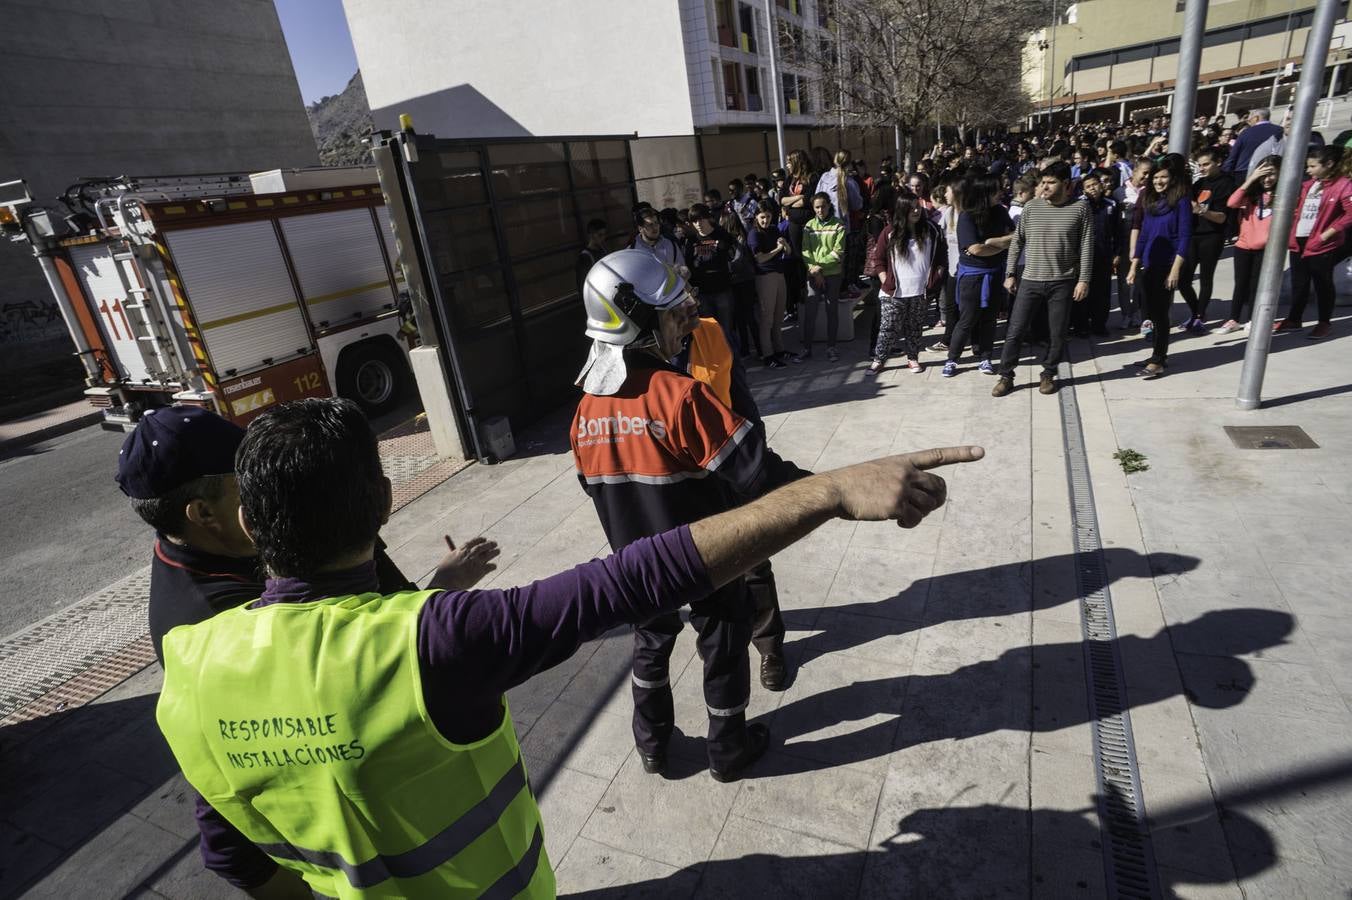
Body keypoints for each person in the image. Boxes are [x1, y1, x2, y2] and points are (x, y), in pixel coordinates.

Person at [155, 388, 983, 897]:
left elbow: (229, 855)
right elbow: (636, 579)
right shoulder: (436, 644)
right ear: (380, 505)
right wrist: (828, 490)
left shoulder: (189, 671)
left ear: (253, 526)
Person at [572, 248, 811, 781]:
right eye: (669, 313)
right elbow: (755, 470)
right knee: (723, 644)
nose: (681, 323)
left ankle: (653, 746)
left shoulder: (584, 413)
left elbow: (594, 489)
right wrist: (830, 489)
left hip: (635, 563)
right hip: (705, 553)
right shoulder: (678, 396)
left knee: (651, 647)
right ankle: (728, 751)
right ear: (634, 321)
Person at [115, 406, 462, 665]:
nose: (267, 490)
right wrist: (442, 590)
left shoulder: (222, 547)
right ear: (203, 513)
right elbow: (373, 662)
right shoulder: (222, 622)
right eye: (249, 486)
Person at [993, 162, 1094, 398]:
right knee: (1015, 331)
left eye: (1051, 182)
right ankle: (1006, 375)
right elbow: (1017, 241)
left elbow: (1087, 245)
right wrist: (1009, 273)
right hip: (1029, 279)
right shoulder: (1031, 208)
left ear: (1066, 184)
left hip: (1063, 280)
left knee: (1057, 333)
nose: (1044, 187)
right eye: (1042, 182)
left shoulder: (1080, 209)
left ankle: (1048, 373)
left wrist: (1084, 279)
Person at [1274, 145, 1352, 340]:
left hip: (1322, 243)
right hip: (1299, 240)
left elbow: (1349, 215)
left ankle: (1324, 323)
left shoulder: (1343, 185)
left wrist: (1326, 234)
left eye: (1312, 166)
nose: (1308, 170)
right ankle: (1294, 319)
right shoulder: (1309, 185)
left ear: (1329, 164)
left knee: (1322, 284)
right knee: (1299, 282)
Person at [866, 192, 947, 375]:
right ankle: (879, 360)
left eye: (918, 206)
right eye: (911, 207)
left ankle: (912, 358)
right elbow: (878, 260)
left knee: (915, 327)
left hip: (920, 291)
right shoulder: (889, 232)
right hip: (894, 292)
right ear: (902, 209)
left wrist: (937, 274)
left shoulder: (931, 230)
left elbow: (942, 255)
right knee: (888, 328)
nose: (916, 210)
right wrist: (885, 280)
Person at [1127, 156, 1193, 378]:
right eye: (1155, 177)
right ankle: (1157, 353)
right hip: (1149, 262)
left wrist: (1175, 270)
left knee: (1161, 313)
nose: (1159, 181)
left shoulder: (1181, 200)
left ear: (1172, 178)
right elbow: (1144, 235)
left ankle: (1159, 359)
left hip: (1168, 264)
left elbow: (1184, 237)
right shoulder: (1149, 200)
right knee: (1151, 311)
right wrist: (1134, 265)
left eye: (1163, 176)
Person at [946, 174, 1012, 377]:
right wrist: (999, 246)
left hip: (994, 274)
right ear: (985, 192)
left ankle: (986, 357)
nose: (1001, 193)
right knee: (967, 319)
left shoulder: (1000, 211)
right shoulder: (967, 216)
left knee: (989, 319)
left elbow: (1016, 236)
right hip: (972, 277)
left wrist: (992, 242)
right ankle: (952, 359)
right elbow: (975, 249)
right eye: (997, 190)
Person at [1175, 147, 1234, 333]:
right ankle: (1195, 313)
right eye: (1200, 165)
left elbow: (1222, 217)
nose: (1202, 168)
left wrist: (1201, 210)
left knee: (1206, 279)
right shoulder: (1198, 183)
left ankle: (1200, 316)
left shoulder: (1226, 183)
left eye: (1206, 164)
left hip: (1212, 236)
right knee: (1184, 280)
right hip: (1193, 235)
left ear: (1218, 162)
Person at [1220, 155, 1281, 334]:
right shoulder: (1252, 195)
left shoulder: (1282, 195)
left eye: (1272, 174)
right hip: (1244, 246)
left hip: (1266, 249)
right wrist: (1252, 179)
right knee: (1241, 283)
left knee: (1257, 284)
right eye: (1263, 174)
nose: (1267, 179)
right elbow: (1232, 202)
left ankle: (1253, 319)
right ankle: (1234, 318)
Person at [795, 192, 846, 363]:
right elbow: (805, 251)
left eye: (823, 206)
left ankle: (832, 347)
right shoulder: (808, 226)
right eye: (817, 207)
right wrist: (814, 270)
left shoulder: (839, 225)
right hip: (813, 274)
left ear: (829, 205)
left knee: (832, 311)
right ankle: (806, 348)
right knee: (810, 312)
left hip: (832, 274)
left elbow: (838, 252)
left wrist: (819, 267)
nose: (820, 210)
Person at [1071, 169, 1118, 338]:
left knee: (1102, 292)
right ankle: (1080, 326)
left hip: (1104, 255)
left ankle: (1099, 325)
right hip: (1082, 256)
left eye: (1095, 185)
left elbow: (1117, 231)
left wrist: (1116, 253)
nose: (1092, 188)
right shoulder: (1079, 204)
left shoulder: (1111, 204)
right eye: (1088, 186)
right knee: (1082, 291)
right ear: (1083, 189)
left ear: (1101, 185)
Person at [685, 203, 738, 346]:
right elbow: (688, 266)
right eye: (694, 221)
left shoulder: (722, 234)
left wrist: (723, 247)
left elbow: (734, 257)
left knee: (726, 331)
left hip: (722, 289)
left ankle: (734, 366)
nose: (698, 224)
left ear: (708, 218)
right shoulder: (691, 241)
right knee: (710, 333)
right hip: (702, 293)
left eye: (700, 219)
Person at [748, 206, 792, 367]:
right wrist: (778, 249)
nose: (765, 220)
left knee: (779, 315)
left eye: (767, 216)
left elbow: (788, 252)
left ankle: (779, 350)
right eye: (762, 217)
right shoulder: (754, 234)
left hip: (779, 274)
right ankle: (767, 355)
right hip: (765, 277)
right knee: (767, 318)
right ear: (756, 218)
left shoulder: (774, 230)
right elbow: (760, 259)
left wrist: (784, 244)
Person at [1113, 160, 1153, 331]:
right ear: (1134, 171)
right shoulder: (1119, 192)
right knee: (1123, 282)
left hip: (1143, 242)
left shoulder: (1150, 192)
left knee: (1139, 281)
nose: (1146, 177)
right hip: (1123, 242)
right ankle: (1125, 314)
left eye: (1149, 173)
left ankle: (1136, 312)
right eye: (1143, 172)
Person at [720, 211, 762, 358]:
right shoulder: (731, 239)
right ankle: (746, 348)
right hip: (738, 281)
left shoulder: (738, 239)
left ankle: (758, 347)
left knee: (748, 316)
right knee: (740, 317)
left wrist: (723, 267)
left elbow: (737, 261)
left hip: (743, 281)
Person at [1248, 107, 1326, 175]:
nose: (1289, 123)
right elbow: (1253, 174)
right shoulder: (1270, 146)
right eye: (1288, 119)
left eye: (1295, 119)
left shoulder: (1316, 142)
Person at [1223, 108, 1282, 176]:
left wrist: (1226, 172)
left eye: (1250, 119)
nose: (1249, 121)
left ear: (1256, 118)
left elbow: (1233, 155)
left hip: (1244, 172)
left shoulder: (1246, 132)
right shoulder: (1280, 130)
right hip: (1270, 173)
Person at [630, 207, 687, 275]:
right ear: (640, 229)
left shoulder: (671, 245)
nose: (655, 227)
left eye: (656, 223)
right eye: (650, 225)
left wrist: (682, 272)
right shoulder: (632, 251)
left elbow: (683, 271)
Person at [576, 218, 609, 298]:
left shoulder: (603, 251)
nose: (603, 238)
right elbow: (582, 286)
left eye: (604, 234)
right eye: (600, 235)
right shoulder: (585, 257)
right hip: (595, 297)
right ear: (591, 235)